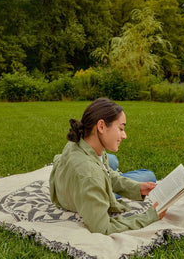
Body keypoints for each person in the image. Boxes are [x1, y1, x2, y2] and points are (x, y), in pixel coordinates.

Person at [49, 98, 166, 235]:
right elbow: (102, 228)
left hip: (68, 184)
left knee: (113, 161)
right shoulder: (90, 176)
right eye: (121, 128)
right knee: (149, 176)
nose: (125, 136)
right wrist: (151, 216)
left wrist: (137, 188)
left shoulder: (83, 140)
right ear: (101, 126)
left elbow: (107, 173)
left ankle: (134, 185)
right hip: (76, 189)